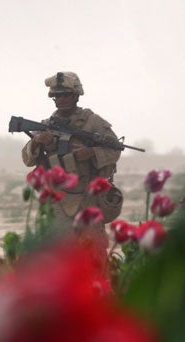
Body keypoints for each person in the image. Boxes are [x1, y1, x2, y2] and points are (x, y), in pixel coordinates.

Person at [21, 71, 122, 238]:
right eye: (57, 96)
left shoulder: (93, 122)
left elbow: (115, 150)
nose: (61, 99)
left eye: (66, 95)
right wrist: (37, 141)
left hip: (88, 196)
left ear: (76, 95)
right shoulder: (45, 125)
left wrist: (91, 152)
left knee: (92, 250)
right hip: (57, 200)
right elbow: (27, 159)